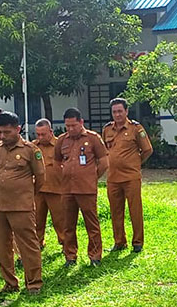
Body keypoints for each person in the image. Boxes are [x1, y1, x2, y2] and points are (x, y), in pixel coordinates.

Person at [0, 111, 45, 295]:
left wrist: (27, 195)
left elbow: (41, 177)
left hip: (21, 206)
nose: (4, 136)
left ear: (18, 129)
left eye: (7, 132)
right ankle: (10, 283)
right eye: (1, 132)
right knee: (1, 246)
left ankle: (34, 283)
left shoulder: (30, 150)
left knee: (28, 245)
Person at [54, 107, 108, 266]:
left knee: (91, 224)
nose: (70, 129)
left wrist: (92, 177)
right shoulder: (62, 140)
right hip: (67, 190)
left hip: (86, 189)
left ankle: (95, 255)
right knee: (68, 225)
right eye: (67, 126)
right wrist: (62, 176)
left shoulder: (93, 138)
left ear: (81, 122)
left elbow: (104, 161)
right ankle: (70, 256)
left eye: (73, 126)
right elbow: (56, 161)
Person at [102, 98, 153, 253]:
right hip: (113, 178)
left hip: (131, 177)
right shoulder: (107, 129)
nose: (117, 114)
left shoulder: (135, 129)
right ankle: (119, 241)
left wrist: (136, 163)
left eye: (120, 111)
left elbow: (147, 150)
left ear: (126, 111)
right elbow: (105, 150)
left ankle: (137, 242)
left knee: (134, 210)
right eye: (114, 112)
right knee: (115, 211)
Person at [34, 118, 66, 248]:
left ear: (51, 131)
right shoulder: (33, 147)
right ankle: (37, 244)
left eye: (43, 134)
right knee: (36, 220)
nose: (40, 137)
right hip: (38, 191)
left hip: (57, 189)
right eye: (38, 134)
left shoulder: (61, 145)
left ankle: (66, 245)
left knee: (60, 221)